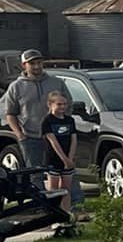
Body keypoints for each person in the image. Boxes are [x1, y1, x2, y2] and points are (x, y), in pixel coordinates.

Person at [3, 52, 66, 186]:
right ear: (24, 65)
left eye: (39, 63)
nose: (37, 66)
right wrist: (19, 135)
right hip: (31, 137)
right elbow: (10, 113)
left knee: (63, 171)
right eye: (32, 63)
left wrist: (62, 125)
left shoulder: (56, 82)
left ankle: (68, 203)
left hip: (57, 137)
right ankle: (40, 204)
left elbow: (68, 104)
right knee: (35, 175)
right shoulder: (16, 87)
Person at [41, 90, 78, 229]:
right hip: (54, 159)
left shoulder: (70, 120)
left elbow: (74, 139)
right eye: (59, 104)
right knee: (54, 190)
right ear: (50, 105)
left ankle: (66, 215)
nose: (62, 107)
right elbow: (53, 141)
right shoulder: (47, 121)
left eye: (65, 104)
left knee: (66, 189)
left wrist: (70, 158)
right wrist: (63, 158)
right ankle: (53, 217)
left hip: (68, 159)